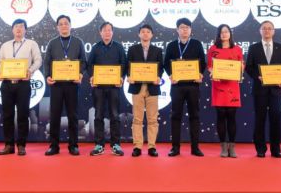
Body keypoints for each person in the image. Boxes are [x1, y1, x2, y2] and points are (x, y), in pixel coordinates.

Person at [0, 19, 42, 156]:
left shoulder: (31, 44)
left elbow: (38, 60)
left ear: (25, 30)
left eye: (21, 26)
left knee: (23, 115)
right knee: (7, 115)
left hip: (23, 84)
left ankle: (21, 145)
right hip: (7, 84)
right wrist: (0, 72)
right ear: (12, 29)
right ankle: (8, 145)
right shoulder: (5, 45)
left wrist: (30, 70)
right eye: (16, 26)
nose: (18, 29)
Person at [43, 15, 87, 156]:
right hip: (56, 84)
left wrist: (80, 74)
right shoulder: (52, 43)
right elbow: (47, 62)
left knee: (73, 115)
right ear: (57, 27)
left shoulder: (78, 42)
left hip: (72, 84)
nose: (63, 26)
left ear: (70, 25)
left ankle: (73, 145)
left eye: (66, 23)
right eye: (61, 24)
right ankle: (54, 146)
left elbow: (83, 61)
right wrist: (47, 76)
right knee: (54, 115)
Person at [245, 20, 281, 158]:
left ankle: (276, 149)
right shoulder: (254, 48)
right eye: (264, 28)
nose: (267, 31)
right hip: (260, 90)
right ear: (260, 31)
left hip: (276, 90)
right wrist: (257, 76)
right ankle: (260, 149)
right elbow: (248, 67)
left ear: (274, 31)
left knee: (276, 119)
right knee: (260, 119)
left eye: (270, 28)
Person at [164, 17, 206, 157]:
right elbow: (166, 63)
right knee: (176, 116)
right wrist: (171, 75)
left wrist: (200, 74)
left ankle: (195, 148)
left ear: (190, 30)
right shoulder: (171, 45)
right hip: (177, 86)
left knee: (194, 116)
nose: (184, 30)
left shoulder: (196, 44)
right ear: (177, 30)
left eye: (187, 27)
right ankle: (175, 148)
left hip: (193, 85)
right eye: (182, 27)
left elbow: (203, 62)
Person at [88, 21, 127, 156]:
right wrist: (92, 76)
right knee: (98, 115)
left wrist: (121, 77)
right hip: (99, 87)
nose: (107, 32)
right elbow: (89, 65)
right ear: (100, 33)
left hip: (114, 87)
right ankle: (99, 144)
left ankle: (115, 144)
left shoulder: (118, 47)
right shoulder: (95, 48)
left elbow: (124, 64)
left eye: (109, 30)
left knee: (115, 115)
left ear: (112, 32)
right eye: (104, 30)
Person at [127, 23, 163, 157]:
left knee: (153, 119)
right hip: (137, 87)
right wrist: (129, 76)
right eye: (143, 31)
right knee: (137, 119)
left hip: (152, 87)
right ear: (139, 34)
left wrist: (158, 77)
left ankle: (152, 146)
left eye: (148, 31)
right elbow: (128, 66)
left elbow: (161, 67)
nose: (145, 33)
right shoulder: (132, 49)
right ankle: (137, 146)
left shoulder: (157, 50)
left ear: (152, 35)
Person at [207, 24, 243, 158]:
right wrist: (213, 72)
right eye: (221, 32)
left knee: (232, 116)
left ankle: (232, 147)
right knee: (221, 116)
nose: (224, 34)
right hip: (218, 86)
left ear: (230, 34)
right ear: (218, 34)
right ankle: (223, 146)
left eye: (226, 31)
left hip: (232, 86)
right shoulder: (213, 49)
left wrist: (240, 69)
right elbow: (209, 66)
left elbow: (241, 65)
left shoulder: (237, 49)